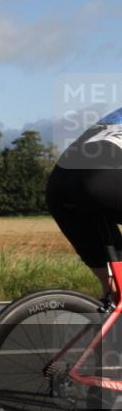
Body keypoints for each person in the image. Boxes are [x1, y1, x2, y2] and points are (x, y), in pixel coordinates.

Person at [45, 107, 122, 300]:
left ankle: (105, 314)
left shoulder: (116, 115)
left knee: (116, 293)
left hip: (60, 183)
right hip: (100, 178)